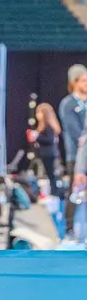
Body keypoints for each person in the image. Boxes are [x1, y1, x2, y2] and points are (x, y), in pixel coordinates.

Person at [58, 63, 87, 235]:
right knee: (75, 191)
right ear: (75, 82)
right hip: (75, 155)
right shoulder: (68, 104)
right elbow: (75, 131)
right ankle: (69, 228)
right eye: (83, 80)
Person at [29, 102, 63, 202]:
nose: (37, 115)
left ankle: (55, 194)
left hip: (50, 154)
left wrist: (37, 137)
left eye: (39, 112)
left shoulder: (48, 127)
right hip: (46, 154)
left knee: (52, 175)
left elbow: (49, 140)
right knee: (50, 175)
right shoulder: (43, 126)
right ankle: (53, 193)